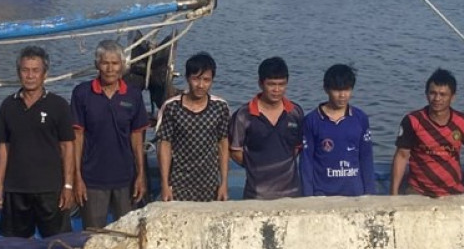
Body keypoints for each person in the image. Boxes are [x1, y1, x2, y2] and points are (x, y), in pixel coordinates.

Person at [0, 46, 75, 238]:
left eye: (35, 70)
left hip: (51, 190)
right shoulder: (8, 105)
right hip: (16, 189)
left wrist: (68, 186)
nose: (30, 76)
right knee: (15, 246)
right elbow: (4, 147)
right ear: (18, 73)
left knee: (58, 244)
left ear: (45, 74)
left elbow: (67, 147)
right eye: (25, 70)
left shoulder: (59, 105)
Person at [71, 40, 149, 229]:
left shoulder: (133, 95)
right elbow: (77, 137)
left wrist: (141, 175)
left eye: (115, 63)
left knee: (127, 234)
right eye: (105, 63)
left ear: (122, 65)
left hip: (126, 179)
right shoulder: (82, 93)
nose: (110, 69)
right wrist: (77, 177)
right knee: (93, 235)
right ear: (97, 64)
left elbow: (137, 137)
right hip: (92, 179)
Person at [390, 69, 464, 197]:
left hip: (453, 192)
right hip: (418, 191)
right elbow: (401, 156)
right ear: (426, 94)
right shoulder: (413, 121)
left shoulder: (462, 121)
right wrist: (393, 194)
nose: (437, 99)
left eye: (443, 94)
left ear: (453, 97)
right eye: (432, 93)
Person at [155, 52, 230, 202]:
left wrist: (224, 183)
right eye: (196, 79)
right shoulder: (172, 107)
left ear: (212, 80)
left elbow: (223, 144)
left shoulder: (220, 107)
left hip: (209, 184)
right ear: (187, 78)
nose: (201, 85)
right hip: (178, 183)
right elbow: (164, 145)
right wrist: (164, 184)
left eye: (206, 80)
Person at [229, 57, 303, 200]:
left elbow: (297, 148)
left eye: (281, 84)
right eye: (271, 84)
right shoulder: (244, 115)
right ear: (260, 83)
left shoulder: (295, 112)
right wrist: (256, 165)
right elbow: (235, 151)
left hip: (291, 194)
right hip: (256, 195)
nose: (277, 90)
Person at [300, 64, 375, 197]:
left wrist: (369, 193)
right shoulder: (312, 120)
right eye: (337, 90)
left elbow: (366, 158)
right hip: (322, 194)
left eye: (347, 89)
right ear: (326, 89)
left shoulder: (360, 118)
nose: (342, 95)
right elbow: (306, 162)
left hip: (354, 193)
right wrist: (308, 196)